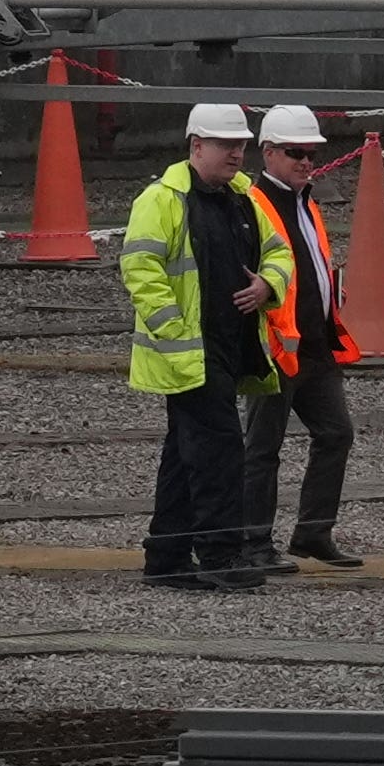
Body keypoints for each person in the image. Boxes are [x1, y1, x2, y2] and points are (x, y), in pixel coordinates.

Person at [125, 105, 271, 590]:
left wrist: (268, 285)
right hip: (191, 352)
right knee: (218, 451)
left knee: (186, 452)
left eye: (241, 145)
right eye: (226, 144)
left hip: (223, 347)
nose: (236, 153)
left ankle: (166, 556)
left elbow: (278, 251)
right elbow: (139, 268)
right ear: (196, 146)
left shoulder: (243, 198)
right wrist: (171, 329)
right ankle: (219, 555)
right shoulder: (162, 200)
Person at [245, 106, 365, 570]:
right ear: (269, 153)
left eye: (311, 153)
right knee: (262, 449)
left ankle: (313, 533)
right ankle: (254, 543)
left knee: (336, 434)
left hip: (312, 344)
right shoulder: (255, 205)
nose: (306, 161)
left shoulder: (305, 203)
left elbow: (309, 267)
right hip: (276, 348)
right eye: (296, 152)